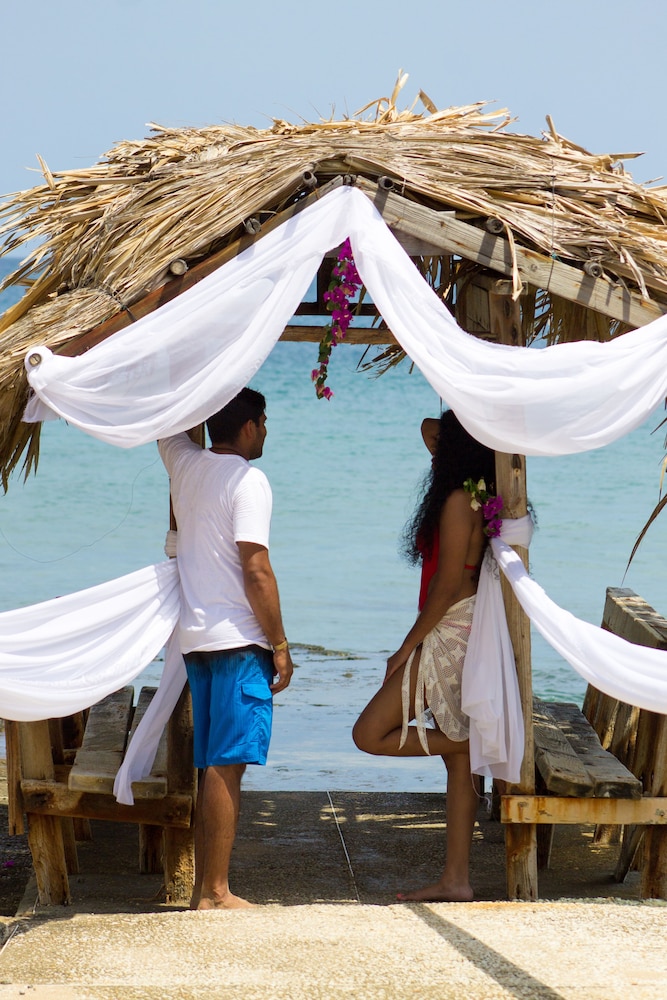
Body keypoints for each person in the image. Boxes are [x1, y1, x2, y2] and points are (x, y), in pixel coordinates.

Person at [352, 409, 496, 902]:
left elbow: (447, 584)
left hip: (451, 627)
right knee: (460, 770)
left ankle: (469, 742)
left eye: (444, 446)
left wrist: (405, 647)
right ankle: (456, 879)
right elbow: (427, 426)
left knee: (368, 733)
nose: (433, 450)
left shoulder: (460, 499)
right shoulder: (479, 491)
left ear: (457, 449)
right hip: (465, 625)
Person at [158, 387, 293, 910]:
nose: (266, 429)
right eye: (264, 419)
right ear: (250, 427)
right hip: (238, 640)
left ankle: (202, 889)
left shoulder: (186, 466)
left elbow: (166, 429)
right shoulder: (249, 480)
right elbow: (256, 568)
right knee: (225, 764)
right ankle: (214, 891)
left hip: (196, 641)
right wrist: (279, 643)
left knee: (213, 763)